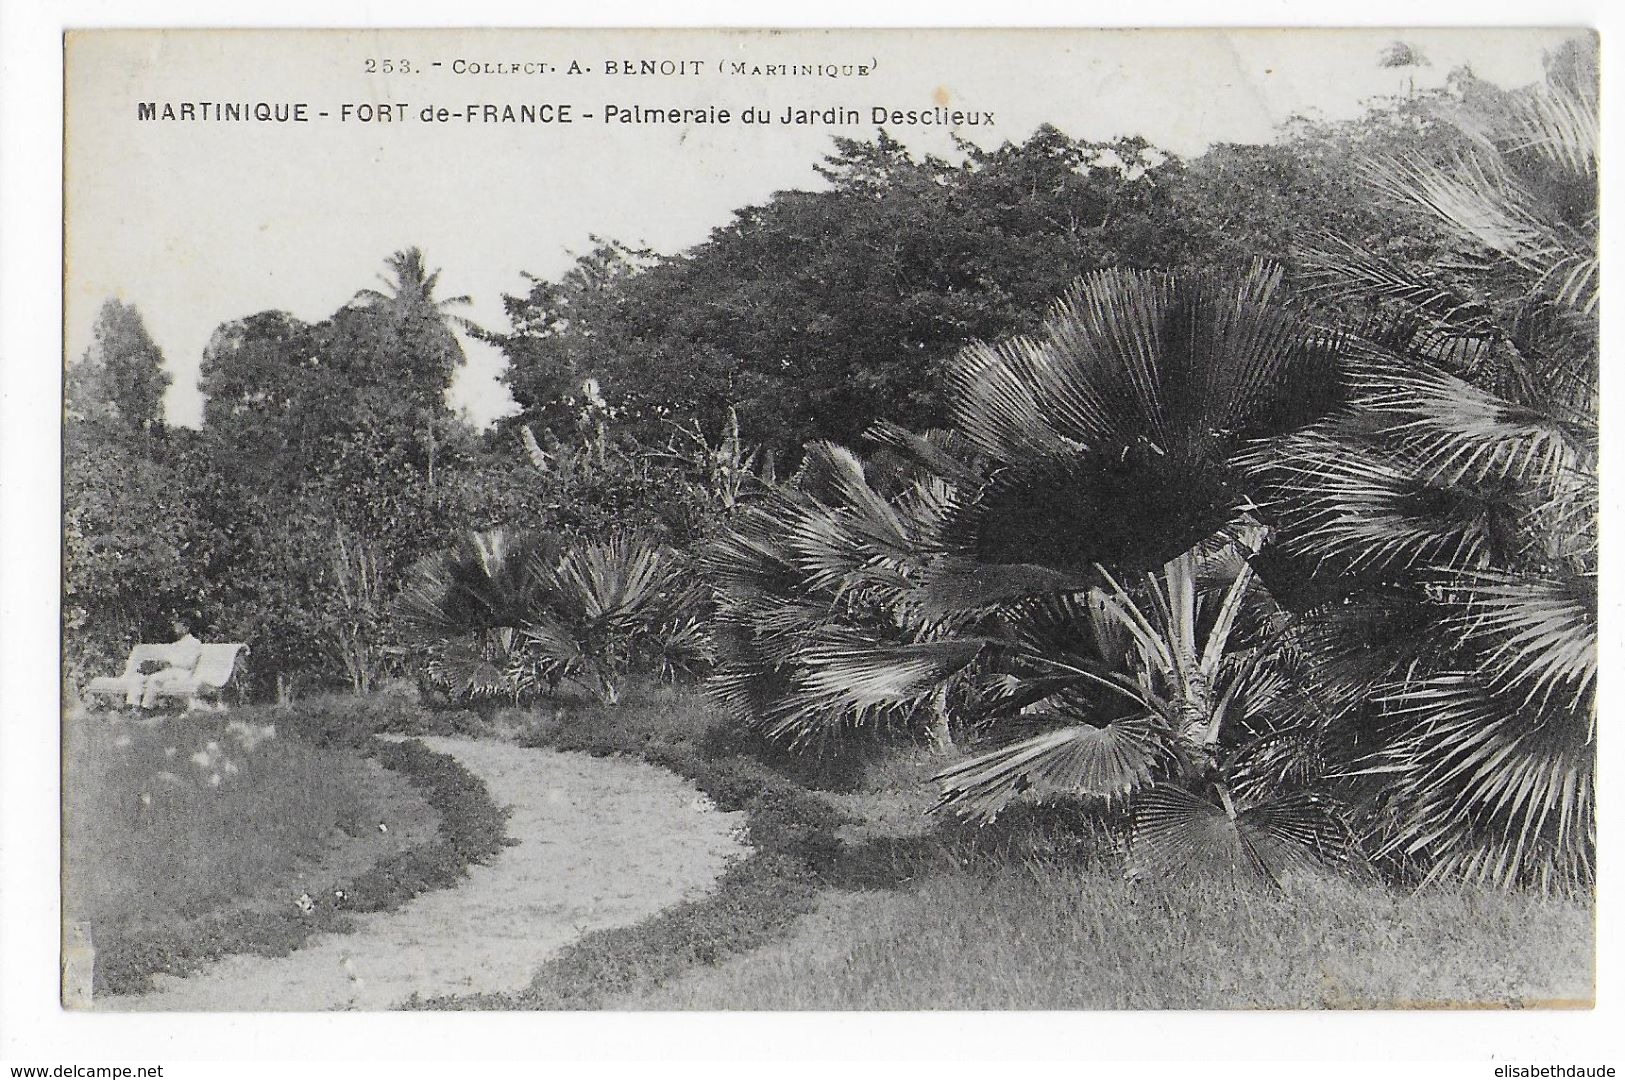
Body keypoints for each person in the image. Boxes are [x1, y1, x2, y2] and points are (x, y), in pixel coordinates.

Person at [132, 619, 204, 709]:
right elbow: (168, 658)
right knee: (139, 678)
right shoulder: (177, 644)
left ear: (186, 628)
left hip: (183, 672)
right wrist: (158, 664)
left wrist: (170, 663)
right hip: (171, 671)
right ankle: (133, 706)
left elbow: (189, 663)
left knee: (155, 679)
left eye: (178, 626)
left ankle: (146, 707)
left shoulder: (194, 643)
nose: (175, 629)